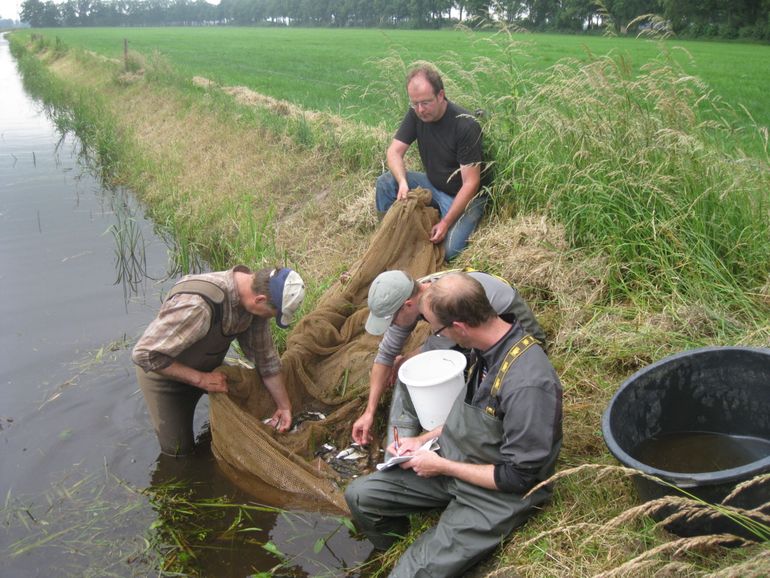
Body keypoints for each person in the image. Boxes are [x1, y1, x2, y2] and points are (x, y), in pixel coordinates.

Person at [345, 272, 562, 577]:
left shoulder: (529, 383)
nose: (436, 334)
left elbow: (519, 478)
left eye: (437, 329)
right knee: (360, 496)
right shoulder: (483, 349)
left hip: (496, 493)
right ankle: (401, 546)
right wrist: (422, 441)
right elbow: (478, 418)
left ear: (459, 327)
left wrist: (442, 467)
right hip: (454, 457)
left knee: (407, 575)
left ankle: (425, 559)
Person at [351, 268, 545, 450]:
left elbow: (442, 344)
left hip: (515, 328)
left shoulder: (442, 303)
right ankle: (400, 444)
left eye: (392, 321)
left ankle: (445, 434)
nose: (392, 326)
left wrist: (407, 359)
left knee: (467, 379)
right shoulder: (411, 298)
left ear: (407, 306)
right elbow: (386, 354)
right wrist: (369, 412)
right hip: (467, 330)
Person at [132, 265, 305, 457]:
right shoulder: (197, 306)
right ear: (260, 300)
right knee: (179, 452)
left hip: (209, 370)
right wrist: (200, 379)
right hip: (165, 378)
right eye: (271, 315)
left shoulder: (254, 301)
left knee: (251, 409)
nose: (269, 319)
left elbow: (266, 360)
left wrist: (284, 406)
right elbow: (144, 354)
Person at [375, 64, 489, 261]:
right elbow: (394, 151)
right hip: (433, 185)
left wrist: (445, 223)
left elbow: (471, 184)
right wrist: (402, 182)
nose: (420, 110)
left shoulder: (465, 125)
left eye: (426, 103)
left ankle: (439, 226)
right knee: (386, 183)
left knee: (449, 251)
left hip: (465, 198)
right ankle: (390, 238)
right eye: (415, 103)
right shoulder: (416, 115)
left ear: (441, 95)